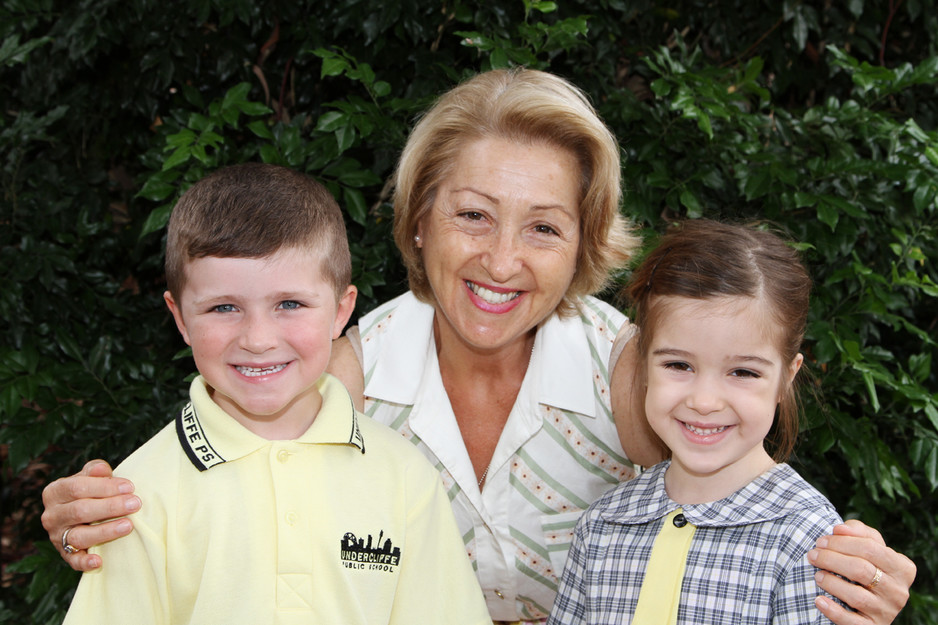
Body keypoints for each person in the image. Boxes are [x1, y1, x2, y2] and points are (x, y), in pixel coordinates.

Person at [43, 69, 915, 624]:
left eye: (543, 226)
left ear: (585, 242)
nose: (502, 260)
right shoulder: (353, 360)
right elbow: (236, 465)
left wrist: (843, 566)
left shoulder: (632, 370)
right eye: (472, 215)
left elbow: (732, 487)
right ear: (418, 221)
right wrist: (107, 510)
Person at [61, 163, 491, 625]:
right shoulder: (139, 493)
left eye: (290, 304)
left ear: (340, 310)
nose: (258, 338)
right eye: (224, 307)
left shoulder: (404, 477)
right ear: (181, 317)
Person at [549, 220, 846, 624]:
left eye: (743, 372)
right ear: (643, 366)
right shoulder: (603, 523)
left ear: (785, 379)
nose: (704, 402)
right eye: (679, 364)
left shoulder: (808, 537)